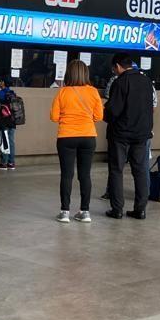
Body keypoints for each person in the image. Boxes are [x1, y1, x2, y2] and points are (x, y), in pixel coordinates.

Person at [50, 60, 103, 223]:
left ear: (68, 74)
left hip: (66, 137)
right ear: (85, 74)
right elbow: (99, 116)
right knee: (85, 175)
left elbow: (54, 117)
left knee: (67, 175)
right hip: (88, 136)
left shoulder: (62, 92)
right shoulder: (93, 92)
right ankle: (84, 212)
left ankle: (65, 212)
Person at [104, 54, 153, 220]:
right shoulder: (146, 81)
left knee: (116, 170)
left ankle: (117, 209)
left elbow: (113, 110)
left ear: (118, 66)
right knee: (140, 170)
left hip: (121, 134)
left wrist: (105, 114)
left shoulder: (120, 82)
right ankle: (140, 209)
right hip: (141, 134)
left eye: (114, 69)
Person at [0, 81, 18, 170]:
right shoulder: (12, 93)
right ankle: (11, 162)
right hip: (12, 120)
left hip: (4, 120)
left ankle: (4, 163)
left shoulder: (0, 93)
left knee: (5, 141)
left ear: (3, 83)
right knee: (11, 141)